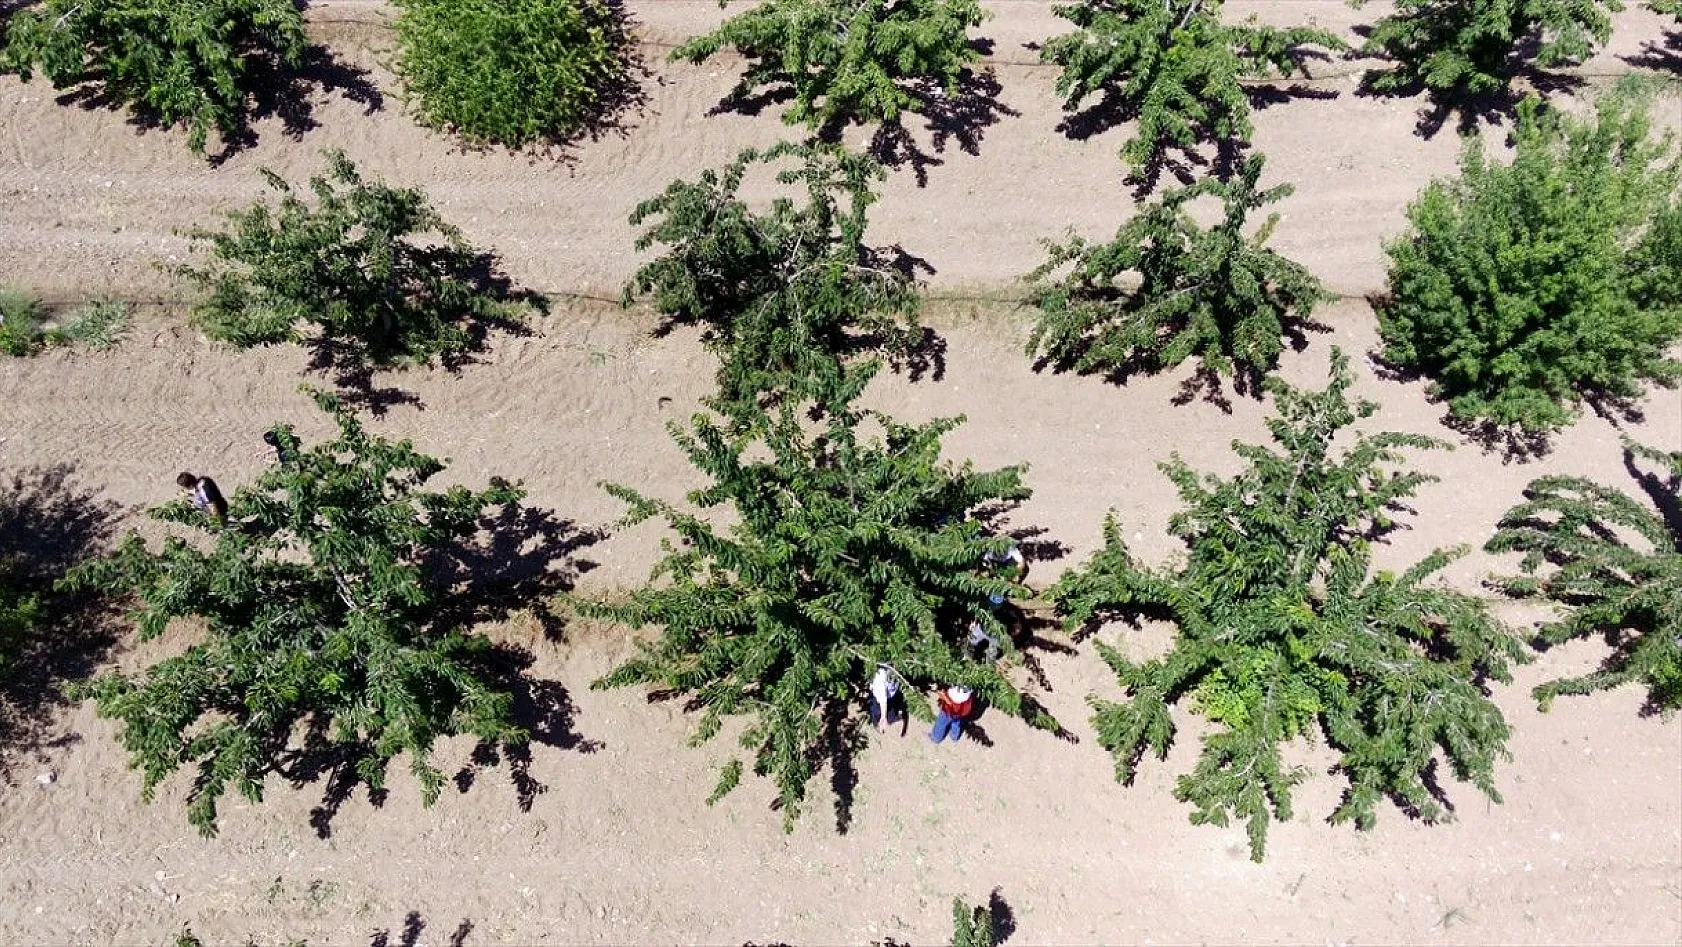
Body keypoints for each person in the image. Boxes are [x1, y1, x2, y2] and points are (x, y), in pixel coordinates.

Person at [868, 664, 904, 734]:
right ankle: (879, 723)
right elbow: (882, 700)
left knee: (889, 714)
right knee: (878, 713)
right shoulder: (880, 677)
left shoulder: (891, 670)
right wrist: (883, 716)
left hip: (890, 697)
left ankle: (883, 720)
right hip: (879, 702)